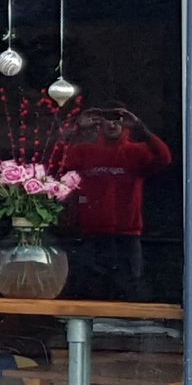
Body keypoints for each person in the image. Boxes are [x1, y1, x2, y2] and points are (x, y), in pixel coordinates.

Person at [59, 106, 172, 301]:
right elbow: (56, 164)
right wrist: (77, 129)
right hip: (92, 237)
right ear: (98, 124)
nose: (111, 124)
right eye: (106, 119)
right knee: (89, 294)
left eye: (117, 119)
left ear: (126, 124)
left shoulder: (137, 152)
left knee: (129, 293)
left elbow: (164, 158)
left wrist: (140, 128)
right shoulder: (84, 151)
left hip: (127, 238)